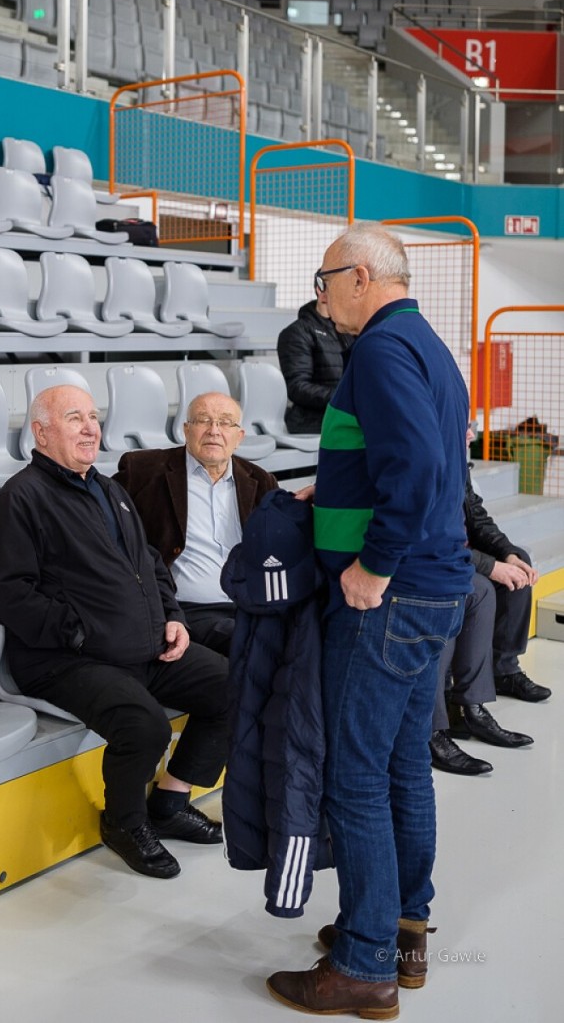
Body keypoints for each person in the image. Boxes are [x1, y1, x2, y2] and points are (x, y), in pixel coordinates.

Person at [265, 223, 474, 1018]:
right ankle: (402, 930)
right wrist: (340, 492)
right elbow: (417, 461)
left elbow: (418, 470)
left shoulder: (382, 351)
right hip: (436, 588)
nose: (320, 299)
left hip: (392, 595)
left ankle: (363, 965)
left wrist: (373, 565)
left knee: (354, 775)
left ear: (359, 277)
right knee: (398, 767)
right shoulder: (421, 342)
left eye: (323, 282)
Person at [0, 384, 228, 881]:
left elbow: (151, 563)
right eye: (75, 418)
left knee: (234, 683)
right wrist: (82, 634)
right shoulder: (19, 499)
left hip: (142, 645)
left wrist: (173, 619)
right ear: (42, 432)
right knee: (145, 726)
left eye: (93, 417)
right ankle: (123, 823)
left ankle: (170, 802)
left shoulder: (109, 489)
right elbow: (14, 597)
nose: (90, 427)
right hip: (65, 660)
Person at [113, 391, 276, 656]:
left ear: (239, 437)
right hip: (187, 610)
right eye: (203, 420)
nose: (214, 431)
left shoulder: (260, 481)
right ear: (186, 430)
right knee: (257, 645)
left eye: (225, 423)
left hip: (249, 604)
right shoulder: (143, 471)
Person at [430, 437, 550, 776]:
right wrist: (491, 566)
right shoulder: (424, 454)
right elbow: (432, 537)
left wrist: (507, 553)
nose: (469, 433)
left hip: (455, 553)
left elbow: (476, 516)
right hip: (430, 560)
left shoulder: (452, 452)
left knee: (520, 560)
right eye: (463, 424)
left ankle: (502, 672)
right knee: (479, 587)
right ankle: (450, 718)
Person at [276, 285, 355, 434]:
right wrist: (344, 397)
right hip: (312, 421)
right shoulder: (296, 333)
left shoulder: (348, 330)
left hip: (344, 416)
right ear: (321, 291)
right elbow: (297, 387)